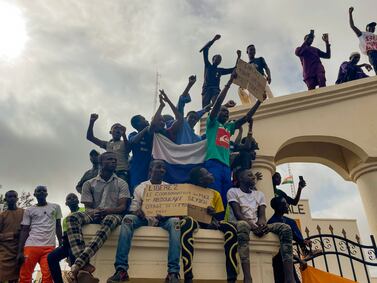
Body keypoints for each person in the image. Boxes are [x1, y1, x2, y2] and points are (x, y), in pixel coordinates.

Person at [107, 160, 181, 283]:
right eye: (158, 167)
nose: (162, 170)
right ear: (150, 169)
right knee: (127, 219)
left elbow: (175, 210)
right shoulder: (141, 187)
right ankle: (121, 270)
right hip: (145, 219)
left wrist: (167, 215)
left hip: (164, 221)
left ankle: (173, 273)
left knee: (175, 222)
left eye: (163, 168)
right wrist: (137, 212)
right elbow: (133, 209)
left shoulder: (169, 188)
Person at [65, 152, 130, 282]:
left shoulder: (122, 183)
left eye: (115, 160)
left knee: (109, 219)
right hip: (95, 213)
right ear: (101, 162)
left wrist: (107, 210)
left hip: (113, 214)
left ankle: (78, 264)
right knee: (71, 218)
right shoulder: (88, 183)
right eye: (110, 159)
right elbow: (88, 206)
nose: (114, 162)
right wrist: (94, 212)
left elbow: (122, 207)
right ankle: (85, 265)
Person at [205, 71, 265, 210]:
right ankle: (212, 222)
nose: (225, 113)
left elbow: (246, 118)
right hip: (213, 163)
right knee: (215, 193)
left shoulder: (228, 128)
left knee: (227, 195)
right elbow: (219, 102)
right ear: (216, 112)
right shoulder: (212, 123)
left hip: (226, 167)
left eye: (227, 112)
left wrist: (259, 102)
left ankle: (224, 222)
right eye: (222, 111)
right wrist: (230, 82)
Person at [227, 169, 295, 283]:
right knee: (243, 225)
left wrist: (262, 225)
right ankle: (247, 277)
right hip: (241, 223)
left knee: (285, 228)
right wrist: (253, 227)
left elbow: (262, 215)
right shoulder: (233, 192)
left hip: (256, 225)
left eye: (253, 175)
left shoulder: (260, 194)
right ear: (241, 179)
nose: (253, 177)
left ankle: (289, 278)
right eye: (249, 175)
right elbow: (238, 214)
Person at [180, 167, 238, 283]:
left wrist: (213, 214)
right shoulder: (186, 191)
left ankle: (232, 276)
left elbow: (219, 217)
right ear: (201, 180)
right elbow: (180, 211)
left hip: (209, 223)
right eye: (207, 173)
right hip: (193, 222)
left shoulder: (215, 194)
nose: (211, 174)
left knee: (231, 228)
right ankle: (188, 275)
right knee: (187, 222)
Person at [17, 186, 63, 283]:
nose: (41, 192)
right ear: (35, 194)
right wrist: (20, 251)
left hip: (49, 247)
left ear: (47, 193)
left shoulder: (56, 207)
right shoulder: (29, 210)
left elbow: (58, 226)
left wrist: (61, 243)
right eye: (38, 191)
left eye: (44, 190)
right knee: (25, 275)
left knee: (48, 276)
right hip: (31, 246)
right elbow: (24, 229)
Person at [268, 196, 313, 283]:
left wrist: (302, 241)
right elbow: (282, 249)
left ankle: (304, 248)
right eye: (285, 203)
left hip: (288, 260)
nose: (288, 205)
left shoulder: (288, 221)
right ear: (279, 207)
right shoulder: (273, 222)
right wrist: (300, 260)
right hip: (279, 262)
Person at [47, 193, 85, 283]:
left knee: (72, 252)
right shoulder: (65, 220)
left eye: (74, 197)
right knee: (51, 257)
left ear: (78, 201)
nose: (72, 199)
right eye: (69, 198)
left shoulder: (84, 210)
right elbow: (65, 234)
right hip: (68, 244)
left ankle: (77, 278)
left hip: (80, 242)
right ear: (66, 203)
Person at [200, 34, 241, 107]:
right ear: (213, 59)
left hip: (215, 89)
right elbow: (205, 50)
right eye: (217, 58)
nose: (219, 59)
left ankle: (217, 108)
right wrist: (214, 39)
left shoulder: (220, 70)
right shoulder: (208, 65)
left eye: (220, 59)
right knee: (205, 108)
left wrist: (238, 57)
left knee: (215, 103)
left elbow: (234, 68)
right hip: (206, 89)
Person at [87, 114, 130, 183]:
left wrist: (124, 135)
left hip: (122, 172)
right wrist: (91, 122)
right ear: (110, 132)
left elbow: (128, 149)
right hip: (109, 173)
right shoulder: (107, 144)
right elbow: (90, 137)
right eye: (115, 128)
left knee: (121, 190)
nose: (118, 129)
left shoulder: (124, 142)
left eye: (120, 128)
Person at [174, 75, 212, 144]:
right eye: (191, 117)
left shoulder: (197, 138)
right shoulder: (182, 124)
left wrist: (206, 109)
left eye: (195, 119)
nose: (193, 119)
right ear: (185, 118)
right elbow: (180, 103)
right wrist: (189, 85)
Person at [0, 190, 24, 283]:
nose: (12, 198)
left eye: (14, 196)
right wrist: (12, 235)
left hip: (20, 250)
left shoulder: (24, 213)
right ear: (5, 199)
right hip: (4, 252)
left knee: (16, 278)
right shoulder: (2, 215)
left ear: (17, 199)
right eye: (9, 197)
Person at [349, 7, 377, 74]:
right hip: (371, 52)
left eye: (374, 27)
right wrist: (350, 13)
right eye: (371, 26)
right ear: (367, 28)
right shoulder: (362, 34)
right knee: (376, 63)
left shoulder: (375, 36)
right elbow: (352, 26)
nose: (373, 28)